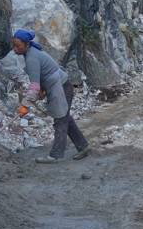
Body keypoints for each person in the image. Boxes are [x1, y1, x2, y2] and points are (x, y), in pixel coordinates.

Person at [11, 29, 90, 164]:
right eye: (14, 45)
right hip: (61, 85)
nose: (14, 49)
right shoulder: (32, 53)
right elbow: (42, 77)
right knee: (65, 118)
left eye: (18, 46)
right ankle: (83, 146)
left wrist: (24, 106)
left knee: (60, 120)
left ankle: (56, 155)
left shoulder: (31, 58)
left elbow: (34, 86)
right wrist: (42, 89)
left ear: (26, 44)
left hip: (62, 87)